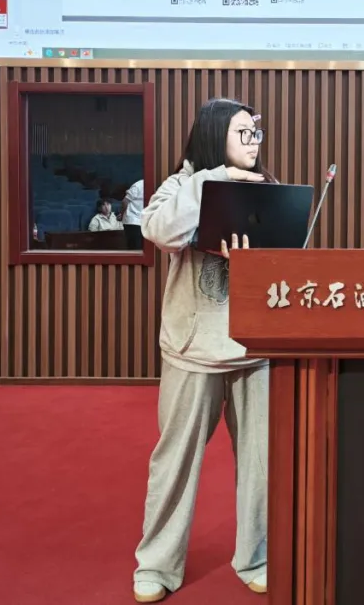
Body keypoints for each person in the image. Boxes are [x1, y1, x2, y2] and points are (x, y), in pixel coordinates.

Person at [133, 98, 273, 603]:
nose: (253, 142)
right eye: (242, 132)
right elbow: (159, 231)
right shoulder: (182, 184)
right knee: (174, 461)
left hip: (255, 349)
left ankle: (256, 556)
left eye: (255, 133)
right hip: (192, 349)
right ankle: (156, 563)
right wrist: (214, 180)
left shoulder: (265, 186)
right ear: (215, 135)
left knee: (261, 464)